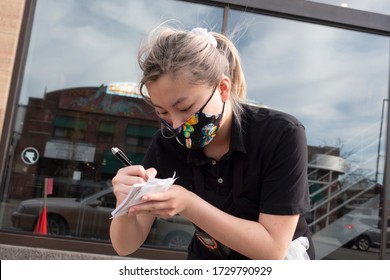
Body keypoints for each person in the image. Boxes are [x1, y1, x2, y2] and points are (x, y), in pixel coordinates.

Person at [109, 26, 315, 260]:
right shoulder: (165, 145)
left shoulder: (280, 134)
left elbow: (272, 250)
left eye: (185, 108)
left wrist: (189, 204)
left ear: (223, 88)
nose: (176, 124)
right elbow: (124, 246)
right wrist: (126, 203)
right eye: (163, 112)